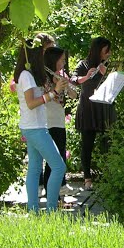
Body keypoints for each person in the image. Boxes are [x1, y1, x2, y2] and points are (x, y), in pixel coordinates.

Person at [15, 42, 66, 212]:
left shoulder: (29, 74)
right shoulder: (26, 76)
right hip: (35, 128)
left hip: (33, 127)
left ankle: (33, 211)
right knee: (59, 166)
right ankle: (51, 210)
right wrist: (55, 92)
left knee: (35, 168)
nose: (45, 56)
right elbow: (31, 103)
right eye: (42, 52)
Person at [72, 36, 114, 190]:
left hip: (104, 107)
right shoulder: (84, 64)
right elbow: (73, 79)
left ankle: (109, 176)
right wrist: (88, 76)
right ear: (98, 50)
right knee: (87, 144)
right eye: (106, 51)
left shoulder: (109, 65)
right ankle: (87, 178)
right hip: (89, 108)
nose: (108, 54)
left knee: (107, 144)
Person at [41, 46, 74, 192]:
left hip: (59, 121)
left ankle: (56, 192)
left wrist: (66, 86)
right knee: (53, 159)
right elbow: (48, 97)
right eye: (61, 60)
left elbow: (73, 95)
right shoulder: (43, 76)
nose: (64, 63)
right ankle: (52, 191)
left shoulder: (60, 75)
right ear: (53, 60)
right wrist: (57, 86)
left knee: (60, 154)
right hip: (49, 121)